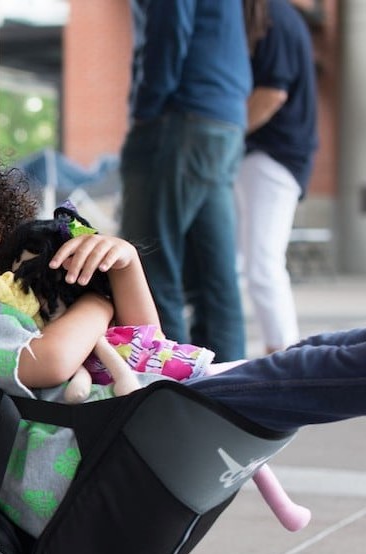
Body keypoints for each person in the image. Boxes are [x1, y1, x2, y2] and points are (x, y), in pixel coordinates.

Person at [0, 119, 365, 537]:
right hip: (66, 474)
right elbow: (48, 362)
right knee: (298, 374)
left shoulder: (4, 289)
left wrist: (123, 265)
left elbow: (146, 345)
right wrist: (98, 304)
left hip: (102, 437)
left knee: (306, 359)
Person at [119, 0, 253, 361]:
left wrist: (147, 106)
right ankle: (230, 397)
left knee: (147, 268)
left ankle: (164, 396)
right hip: (222, 119)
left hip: (179, 116)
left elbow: (169, 28)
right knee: (215, 279)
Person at [235, 0, 319, 354]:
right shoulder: (275, 16)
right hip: (267, 155)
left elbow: (271, 94)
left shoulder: (276, 18)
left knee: (262, 264)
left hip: (273, 156)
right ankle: (283, 355)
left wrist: (229, 134)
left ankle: (285, 357)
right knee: (248, 261)